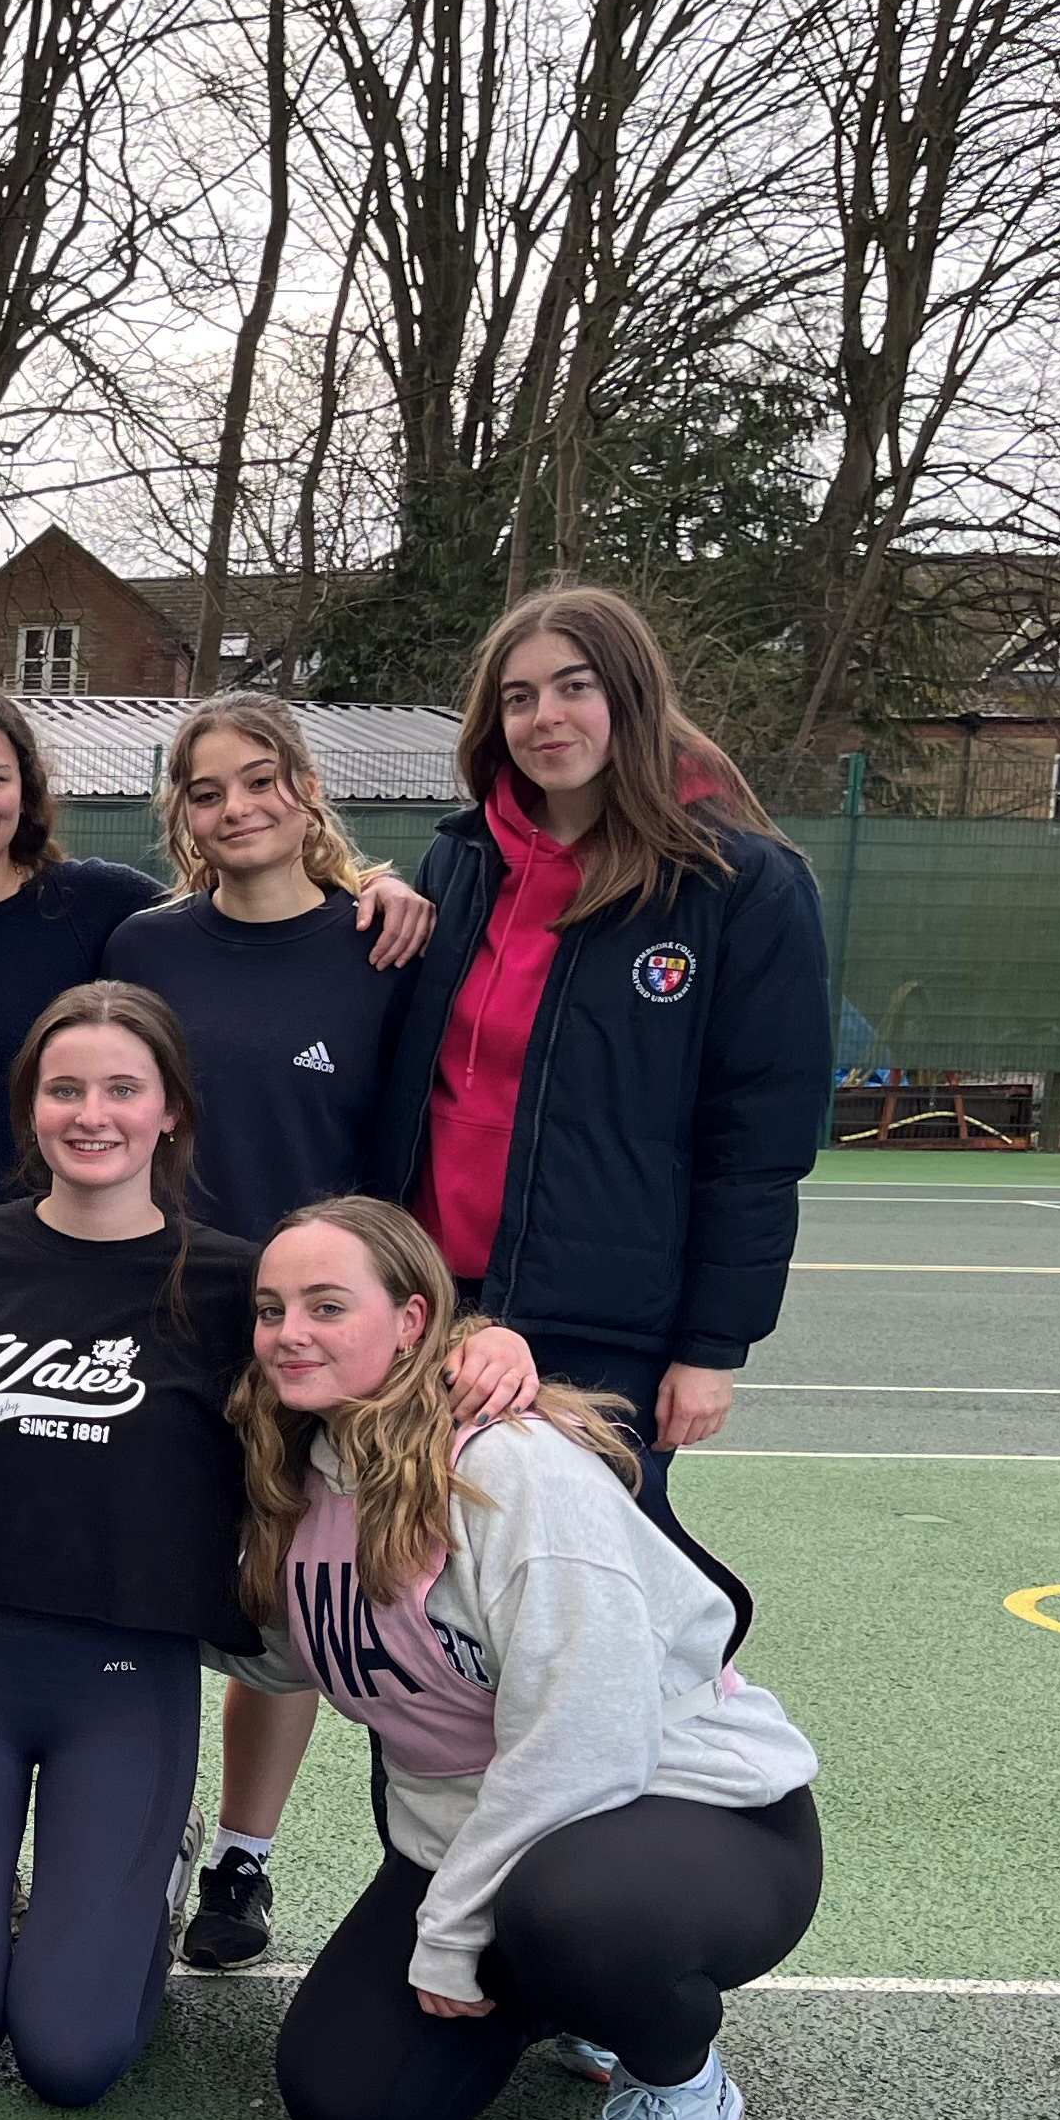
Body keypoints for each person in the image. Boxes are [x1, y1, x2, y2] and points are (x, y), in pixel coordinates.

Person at [0, 686, 423, 1908]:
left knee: (234, 1565)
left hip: (183, 1288)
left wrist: (384, 884)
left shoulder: (112, 913)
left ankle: (201, 1830)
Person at [0, 984, 530, 2107]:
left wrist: (490, 1344)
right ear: (30, 1108)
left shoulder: (235, 1282)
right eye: (65, 1088)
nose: (95, 1114)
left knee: (71, 2062)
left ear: (171, 1109)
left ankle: (142, 1878)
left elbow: (362, 1337)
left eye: (124, 1089)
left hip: (126, 1678)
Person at [236, 1198, 821, 2120]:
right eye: (272, 1307)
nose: (291, 1332)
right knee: (347, 2100)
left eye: (329, 1305)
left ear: (413, 1322)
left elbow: (587, 1745)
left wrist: (452, 1933)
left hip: (684, 1814)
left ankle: (676, 2079)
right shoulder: (304, 1478)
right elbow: (279, 1654)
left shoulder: (511, 1468)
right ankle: (566, 1995)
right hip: (485, 1846)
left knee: (581, 1918)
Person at [368, 584, 831, 1530]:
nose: (547, 718)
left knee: (593, 1613)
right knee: (415, 1603)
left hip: (601, 1328)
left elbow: (759, 1141)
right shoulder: (457, 865)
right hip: (429, 1308)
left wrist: (712, 1347)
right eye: (520, 697)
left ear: (628, 696)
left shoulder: (741, 885)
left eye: (574, 687)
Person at [108, 695, 441, 1972]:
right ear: (179, 815)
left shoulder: (381, 947)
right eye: (206, 791)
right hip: (165, 1317)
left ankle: (243, 1859)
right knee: (144, 1594)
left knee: (282, 1609)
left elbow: (401, 1141)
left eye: (261, 782)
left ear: (305, 791)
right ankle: (141, 1830)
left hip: (316, 1339)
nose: (236, 808)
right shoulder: (143, 944)